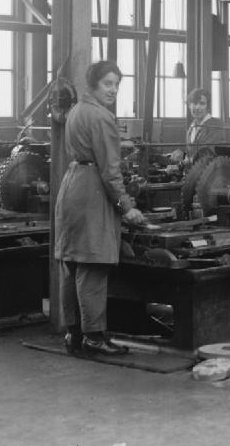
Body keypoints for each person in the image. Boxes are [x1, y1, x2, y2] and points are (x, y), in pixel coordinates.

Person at [55, 61, 145, 356]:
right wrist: (126, 207)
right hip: (93, 190)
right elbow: (111, 172)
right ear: (93, 84)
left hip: (72, 186)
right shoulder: (102, 117)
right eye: (108, 84)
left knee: (73, 265)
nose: (114, 90)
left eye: (117, 84)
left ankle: (74, 334)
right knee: (94, 266)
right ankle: (95, 337)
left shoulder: (75, 112)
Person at [170, 88, 224, 163]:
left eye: (202, 103)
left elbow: (209, 153)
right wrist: (182, 154)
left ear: (207, 106)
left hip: (211, 171)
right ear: (189, 106)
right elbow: (191, 152)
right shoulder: (191, 128)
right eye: (194, 103)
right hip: (194, 170)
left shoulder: (215, 125)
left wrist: (186, 160)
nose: (197, 107)